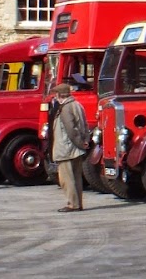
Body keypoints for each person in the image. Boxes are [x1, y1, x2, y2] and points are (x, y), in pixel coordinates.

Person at [51, 82, 89, 212]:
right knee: (76, 177)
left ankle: (72, 204)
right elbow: (85, 125)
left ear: (59, 95)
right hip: (76, 149)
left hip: (67, 149)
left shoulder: (65, 108)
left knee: (66, 179)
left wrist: (79, 143)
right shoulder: (77, 105)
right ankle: (78, 203)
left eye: (55, 94)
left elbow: (71, 130)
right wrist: (85, 142)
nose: (55, 97)